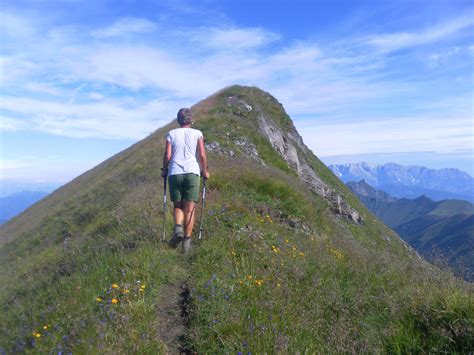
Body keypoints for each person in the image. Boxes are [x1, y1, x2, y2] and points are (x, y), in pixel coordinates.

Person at [162, 108, 210, 254]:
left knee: (178, 205)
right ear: (191, 120)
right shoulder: (197, 134)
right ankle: (187, 244)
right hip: (192, 172)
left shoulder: (171, 134)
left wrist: (165, 170)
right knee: (190, 208)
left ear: (178, 121)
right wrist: (205, 170)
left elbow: (168, 155)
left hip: (175, 172)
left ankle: (178, 228)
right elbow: (201, 154)